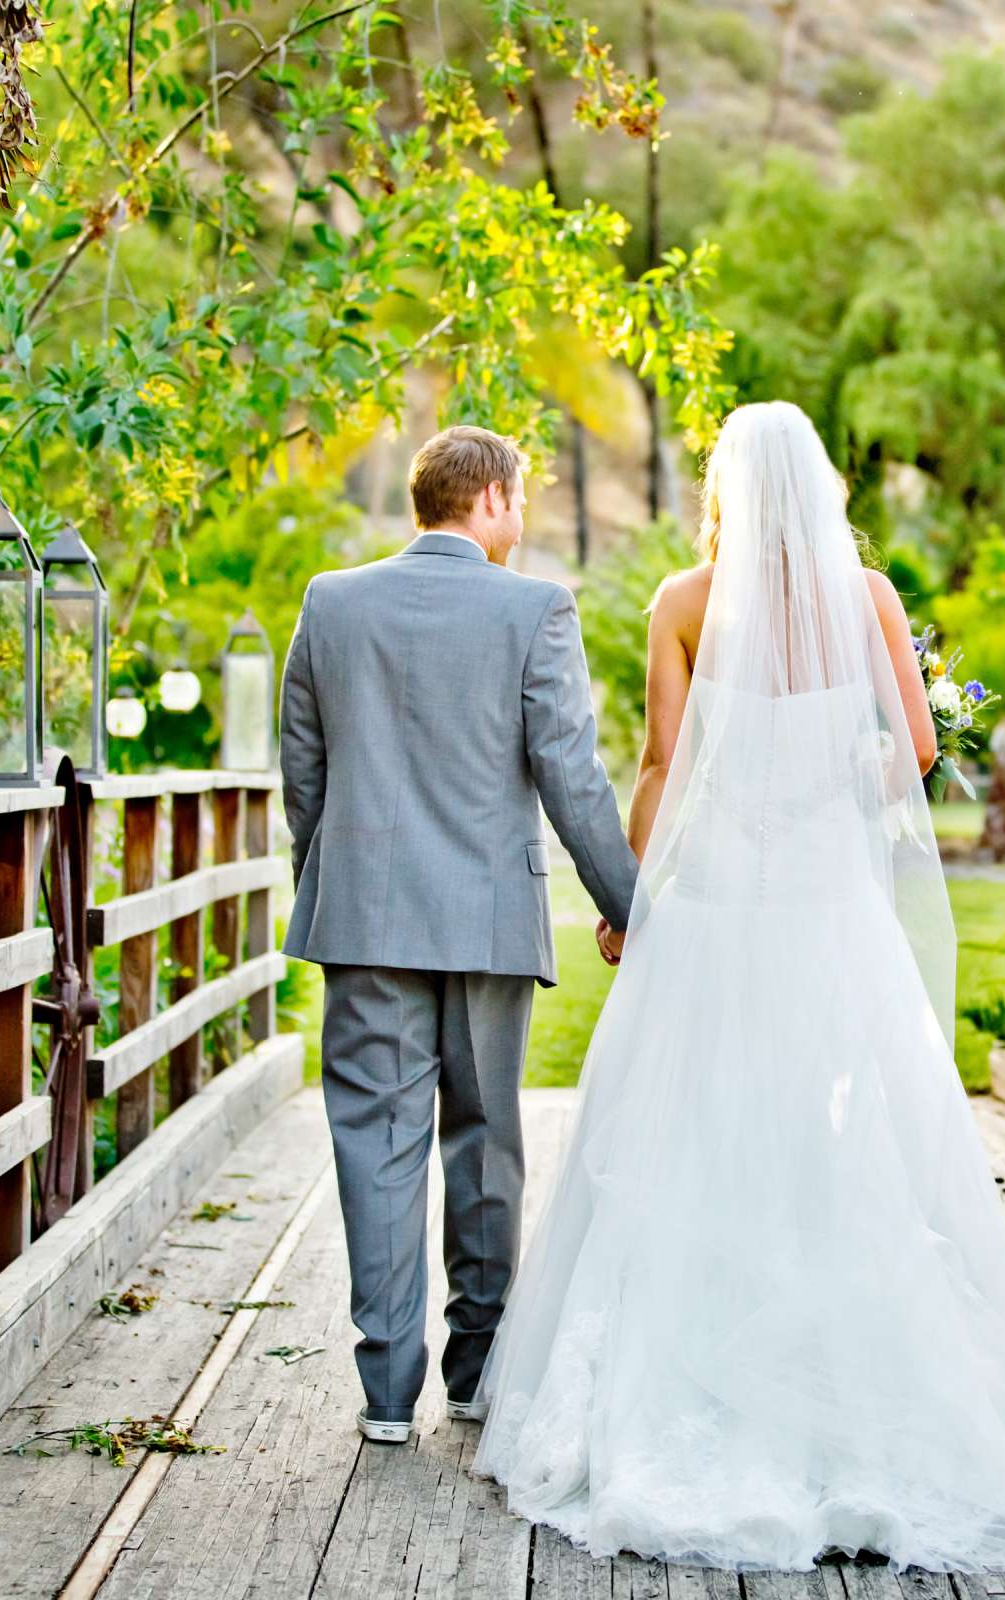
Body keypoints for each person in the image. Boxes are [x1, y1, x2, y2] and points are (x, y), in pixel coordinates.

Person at [470, 402, 1005, 1580]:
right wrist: (836, 768)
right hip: (830, 904)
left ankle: (699, 1378)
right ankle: (851, 1388)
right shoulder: (868, 600)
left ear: (729, 484)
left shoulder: (683, 602)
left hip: (722, 901)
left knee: (701, 1122)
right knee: (849, 1132)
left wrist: (630, 898)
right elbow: (917, 748)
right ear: (820, 485)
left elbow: (667, 764)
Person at [278, 424, 637, 1443]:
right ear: (485, 501)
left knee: (375, 1146)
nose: (522, 521)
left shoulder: (331, 602)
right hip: (486, 924)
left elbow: (303, 770)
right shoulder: (535, 609)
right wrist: (630, 902)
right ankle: (477, 1372)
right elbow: (571, 774)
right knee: (485, 1146)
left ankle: (386, 1391)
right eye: (518, 501)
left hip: (364, 920)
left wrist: (334, 877)